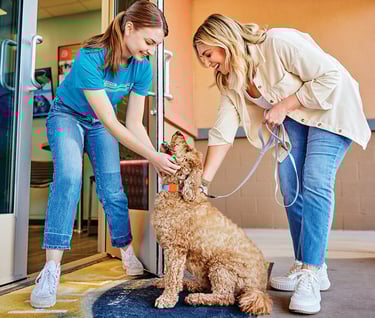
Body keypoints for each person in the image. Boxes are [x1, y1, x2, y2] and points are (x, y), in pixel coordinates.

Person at [193, 14, 371, 315]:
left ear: (223, 39)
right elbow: (222, 131)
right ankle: (308, 264)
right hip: (297, 122)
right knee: (290, 187)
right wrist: (203, 181)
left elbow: (331, 76)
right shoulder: (230, 80)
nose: (208, 63)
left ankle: (311, 273)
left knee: (315, 180)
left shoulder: (276, 42)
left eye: (208, 54)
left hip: (331, 109)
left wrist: (284, 104)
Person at [30, 0, 179, 309]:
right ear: (129, 28)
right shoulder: (90, 57)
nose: (151, 49)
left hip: (99, 123)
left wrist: (154, 154)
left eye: (156, 45)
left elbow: (134, 122)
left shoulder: (142, 67)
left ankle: (125, 251)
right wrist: (154, 158)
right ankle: (51, 269)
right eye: (149, 41)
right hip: (66, 116)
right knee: (69, 179)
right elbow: (113, 121)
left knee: (112, 189)